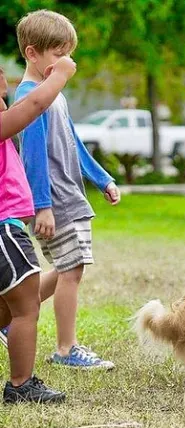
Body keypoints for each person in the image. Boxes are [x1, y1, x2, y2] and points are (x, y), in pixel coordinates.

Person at [7, 10, 121, 369]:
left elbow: (73, 142)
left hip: (71, 195)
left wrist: (102, 178)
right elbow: (34, 158)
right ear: (32, 53)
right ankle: (65, 349)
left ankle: (8, 319)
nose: (66, 62)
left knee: (71, 266)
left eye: (69, 53)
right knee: (71, 269)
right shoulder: (31, 98)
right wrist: (42, 206)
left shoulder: (55, 96)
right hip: (55, 201)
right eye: (58, 54)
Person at [0, 56, 76, 403]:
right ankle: (20, 384)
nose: (5, 102)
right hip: (4, 230)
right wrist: (59, 75)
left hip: (8, 226)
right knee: (27, 305)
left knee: (8, 306)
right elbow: (30, 106)